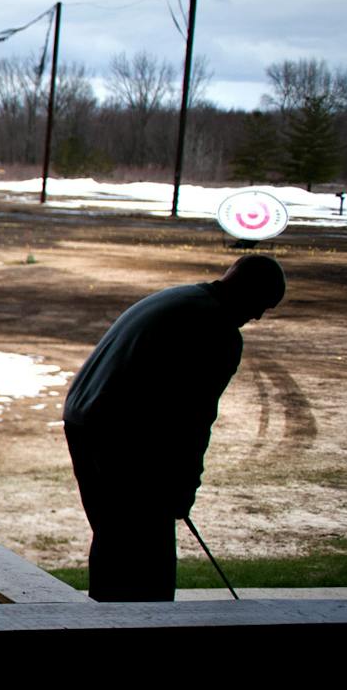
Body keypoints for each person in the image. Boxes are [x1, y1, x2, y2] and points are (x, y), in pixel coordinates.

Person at [62, 252, 285, 602]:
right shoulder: (217, 329)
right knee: (145, 547)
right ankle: (149, 629)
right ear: (248, 290)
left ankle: (106, 621)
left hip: (84, 419)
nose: (256, 316)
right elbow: (194, 419)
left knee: (115, 535)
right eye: (262, 305)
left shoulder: (181, 296)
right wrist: (183, 488)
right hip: (114, 431)